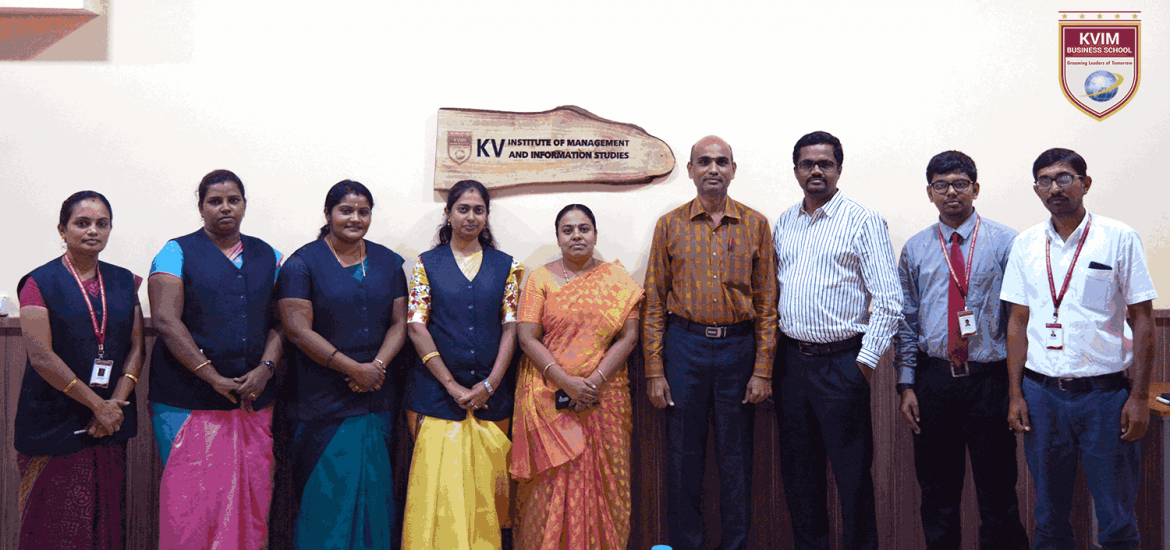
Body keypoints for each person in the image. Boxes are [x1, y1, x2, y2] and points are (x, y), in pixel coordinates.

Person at [1002, 148, 1157, 550]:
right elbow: (1017, 322)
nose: (1055, 187)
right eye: (1045, 180)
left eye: (1064, 178)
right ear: (1036, 189)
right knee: (1049, 518)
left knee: (1117, 518)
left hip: (1105, 398)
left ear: (1085, 184)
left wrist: (1139, 396)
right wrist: (1015, 394)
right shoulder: (1025, 244)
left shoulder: (1119, 237)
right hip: (1042, 396)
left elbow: (1142, 319)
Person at [643, 135, 777, 550]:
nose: (713, 169)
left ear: (733, 169)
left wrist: (763, 369)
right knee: (684, 458)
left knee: (736, 459)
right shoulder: (669, 225)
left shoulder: (756, 224)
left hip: (739, 351)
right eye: (704, 162)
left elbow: (768, 303)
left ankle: (735, 544)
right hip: (685, 348)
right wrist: (653, 369)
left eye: (721, 162)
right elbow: (652, 303)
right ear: (690, 170)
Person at [772, 130, 902, 550]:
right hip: (791, 364)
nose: (815, 171)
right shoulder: (784, 223)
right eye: (807, 164)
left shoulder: (863, 220)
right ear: (795, 171)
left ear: (839, 169)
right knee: (800, 476)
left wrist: (862, 365)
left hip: (842, 364)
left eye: (824, 164)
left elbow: (889, 301)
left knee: (852, 477)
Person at [894, 151, 1029, 549]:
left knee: (999, 492)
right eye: (941, 185)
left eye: (960, 184)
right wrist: (906, 384)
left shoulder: (1007, 242)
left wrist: (1015, 390)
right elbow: (906, 320)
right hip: (934, 381)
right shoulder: (916, 248)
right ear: (929, 192)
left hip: (990, 381)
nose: (951, 192)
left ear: (976, 188)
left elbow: (1020, 319)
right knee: (937, 493)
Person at [147, 169, 284, 550]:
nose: (225, 208)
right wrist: (210, 376)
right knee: (191, 505)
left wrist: (266, 369)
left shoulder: (269, 255)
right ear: (201, 206)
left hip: (253, 399)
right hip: (185, 400)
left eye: (233, 200)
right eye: (215, 201)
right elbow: (165, 320)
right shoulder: (175, 252)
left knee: (252, 498)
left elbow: (282, 323)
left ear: (244, 204)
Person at [277, 180, 408, 549]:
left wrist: (376, 367)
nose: (355, 218)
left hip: (376, 400)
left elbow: (400, 322)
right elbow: (297, 330)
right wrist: (353, 369)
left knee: (375, 498)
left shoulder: (388, 262)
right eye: (345, 210)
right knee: (325, 502)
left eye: (363, 211)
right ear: (328, 213)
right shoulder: (302, 264)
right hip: (321, 404)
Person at [14, 191, 145, 549]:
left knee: (105, 523)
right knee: (54, 527)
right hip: (53, 421)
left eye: (102, 224)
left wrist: (114, 405)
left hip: (110, 423)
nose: (93, 231)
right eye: (82, 223)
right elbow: (42, 356)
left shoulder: (124, 282)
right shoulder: (38, 283)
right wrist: (96, 405)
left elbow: (136, 347)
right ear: (63, 228)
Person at [401, 179, 525, 550]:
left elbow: (512, 328)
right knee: (436, 496)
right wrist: (452, 385)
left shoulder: (508, 267)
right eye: (463, 209)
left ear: (487, 216)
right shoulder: (426, 264)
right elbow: (416, 325)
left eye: (478, 210)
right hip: (435, 398)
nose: (471, 217)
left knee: (485, 495)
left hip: (492, 400)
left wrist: (489, 384)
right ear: (449, 214)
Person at [511, 204, 643, 550]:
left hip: (605, 396)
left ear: (595, 234)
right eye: (568, 230)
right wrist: (566, 382)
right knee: (550, 486)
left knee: (606, 483)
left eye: (584, 229)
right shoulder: (539, 279)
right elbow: (527, 337)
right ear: (558, 237)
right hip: (548, 397)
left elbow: (629, 337)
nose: (576, 236)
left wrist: (595, 380)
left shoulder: (617, 280)